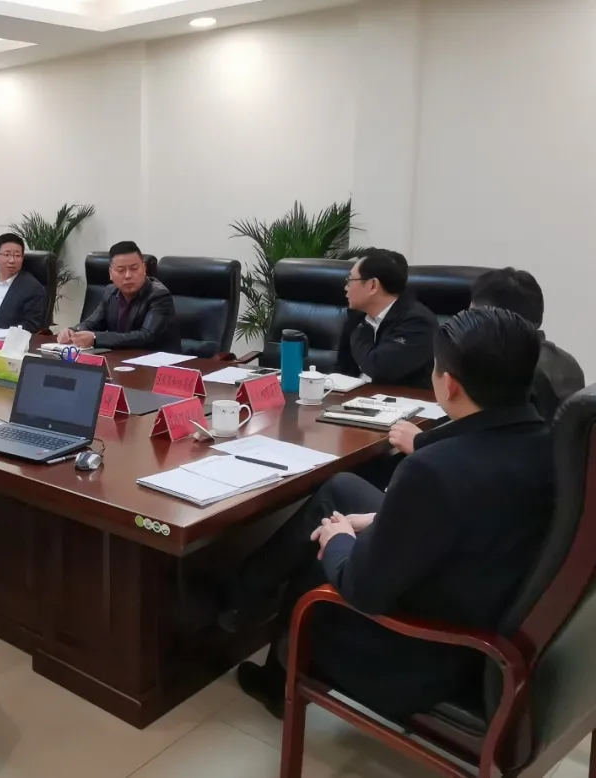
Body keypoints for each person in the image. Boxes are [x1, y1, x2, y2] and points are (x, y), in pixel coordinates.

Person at [224, 308, 553, 722]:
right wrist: (380, 522)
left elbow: (362, 589)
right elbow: (475, 513)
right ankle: (245, 594)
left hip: (425, 652)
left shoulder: (433, 470)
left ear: (449, 384)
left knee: (320, 551)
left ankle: (277, 676)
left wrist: (340, 541)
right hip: (482, 589)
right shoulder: (550, 444)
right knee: (341, 490)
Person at [389, 268, 585, 456]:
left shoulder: (514, 365)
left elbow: (489, 428)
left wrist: (422, 442)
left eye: (473, 314)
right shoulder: (566, 360)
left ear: (495, 320)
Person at [335, 249, 438, 388]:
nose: (346, 287)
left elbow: (378, 368)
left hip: (400, 398)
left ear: (372, 286)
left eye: (350, 280)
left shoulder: (418, 322)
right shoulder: (358, 315)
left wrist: (361, 328)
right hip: (355, 396)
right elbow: (341, 368)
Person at [57, 241, 180, 351]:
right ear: (111, 273)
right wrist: (73, 331)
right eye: (121, 270)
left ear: (144, 269)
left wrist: (95, 338)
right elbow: (92, 323)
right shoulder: (110, 292)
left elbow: (146, 336)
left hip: (158, 362)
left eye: (134, 269)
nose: (128, 276)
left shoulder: (159, 295)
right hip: (122, 359)